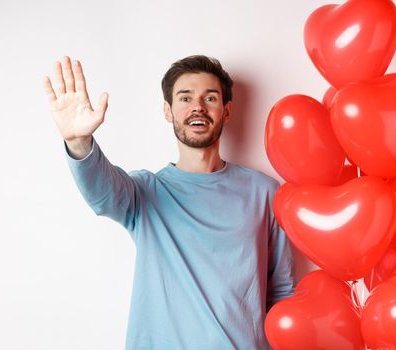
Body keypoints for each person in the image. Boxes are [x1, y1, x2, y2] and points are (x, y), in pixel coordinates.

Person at [43, 55, 295, 349]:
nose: (197, 106)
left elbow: (283, 291)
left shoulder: (264, 192)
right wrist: (78, 142)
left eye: (209, 98)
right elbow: (101, 193)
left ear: (226, 112)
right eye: (185, 98)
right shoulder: (145, 192)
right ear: (168, 110)